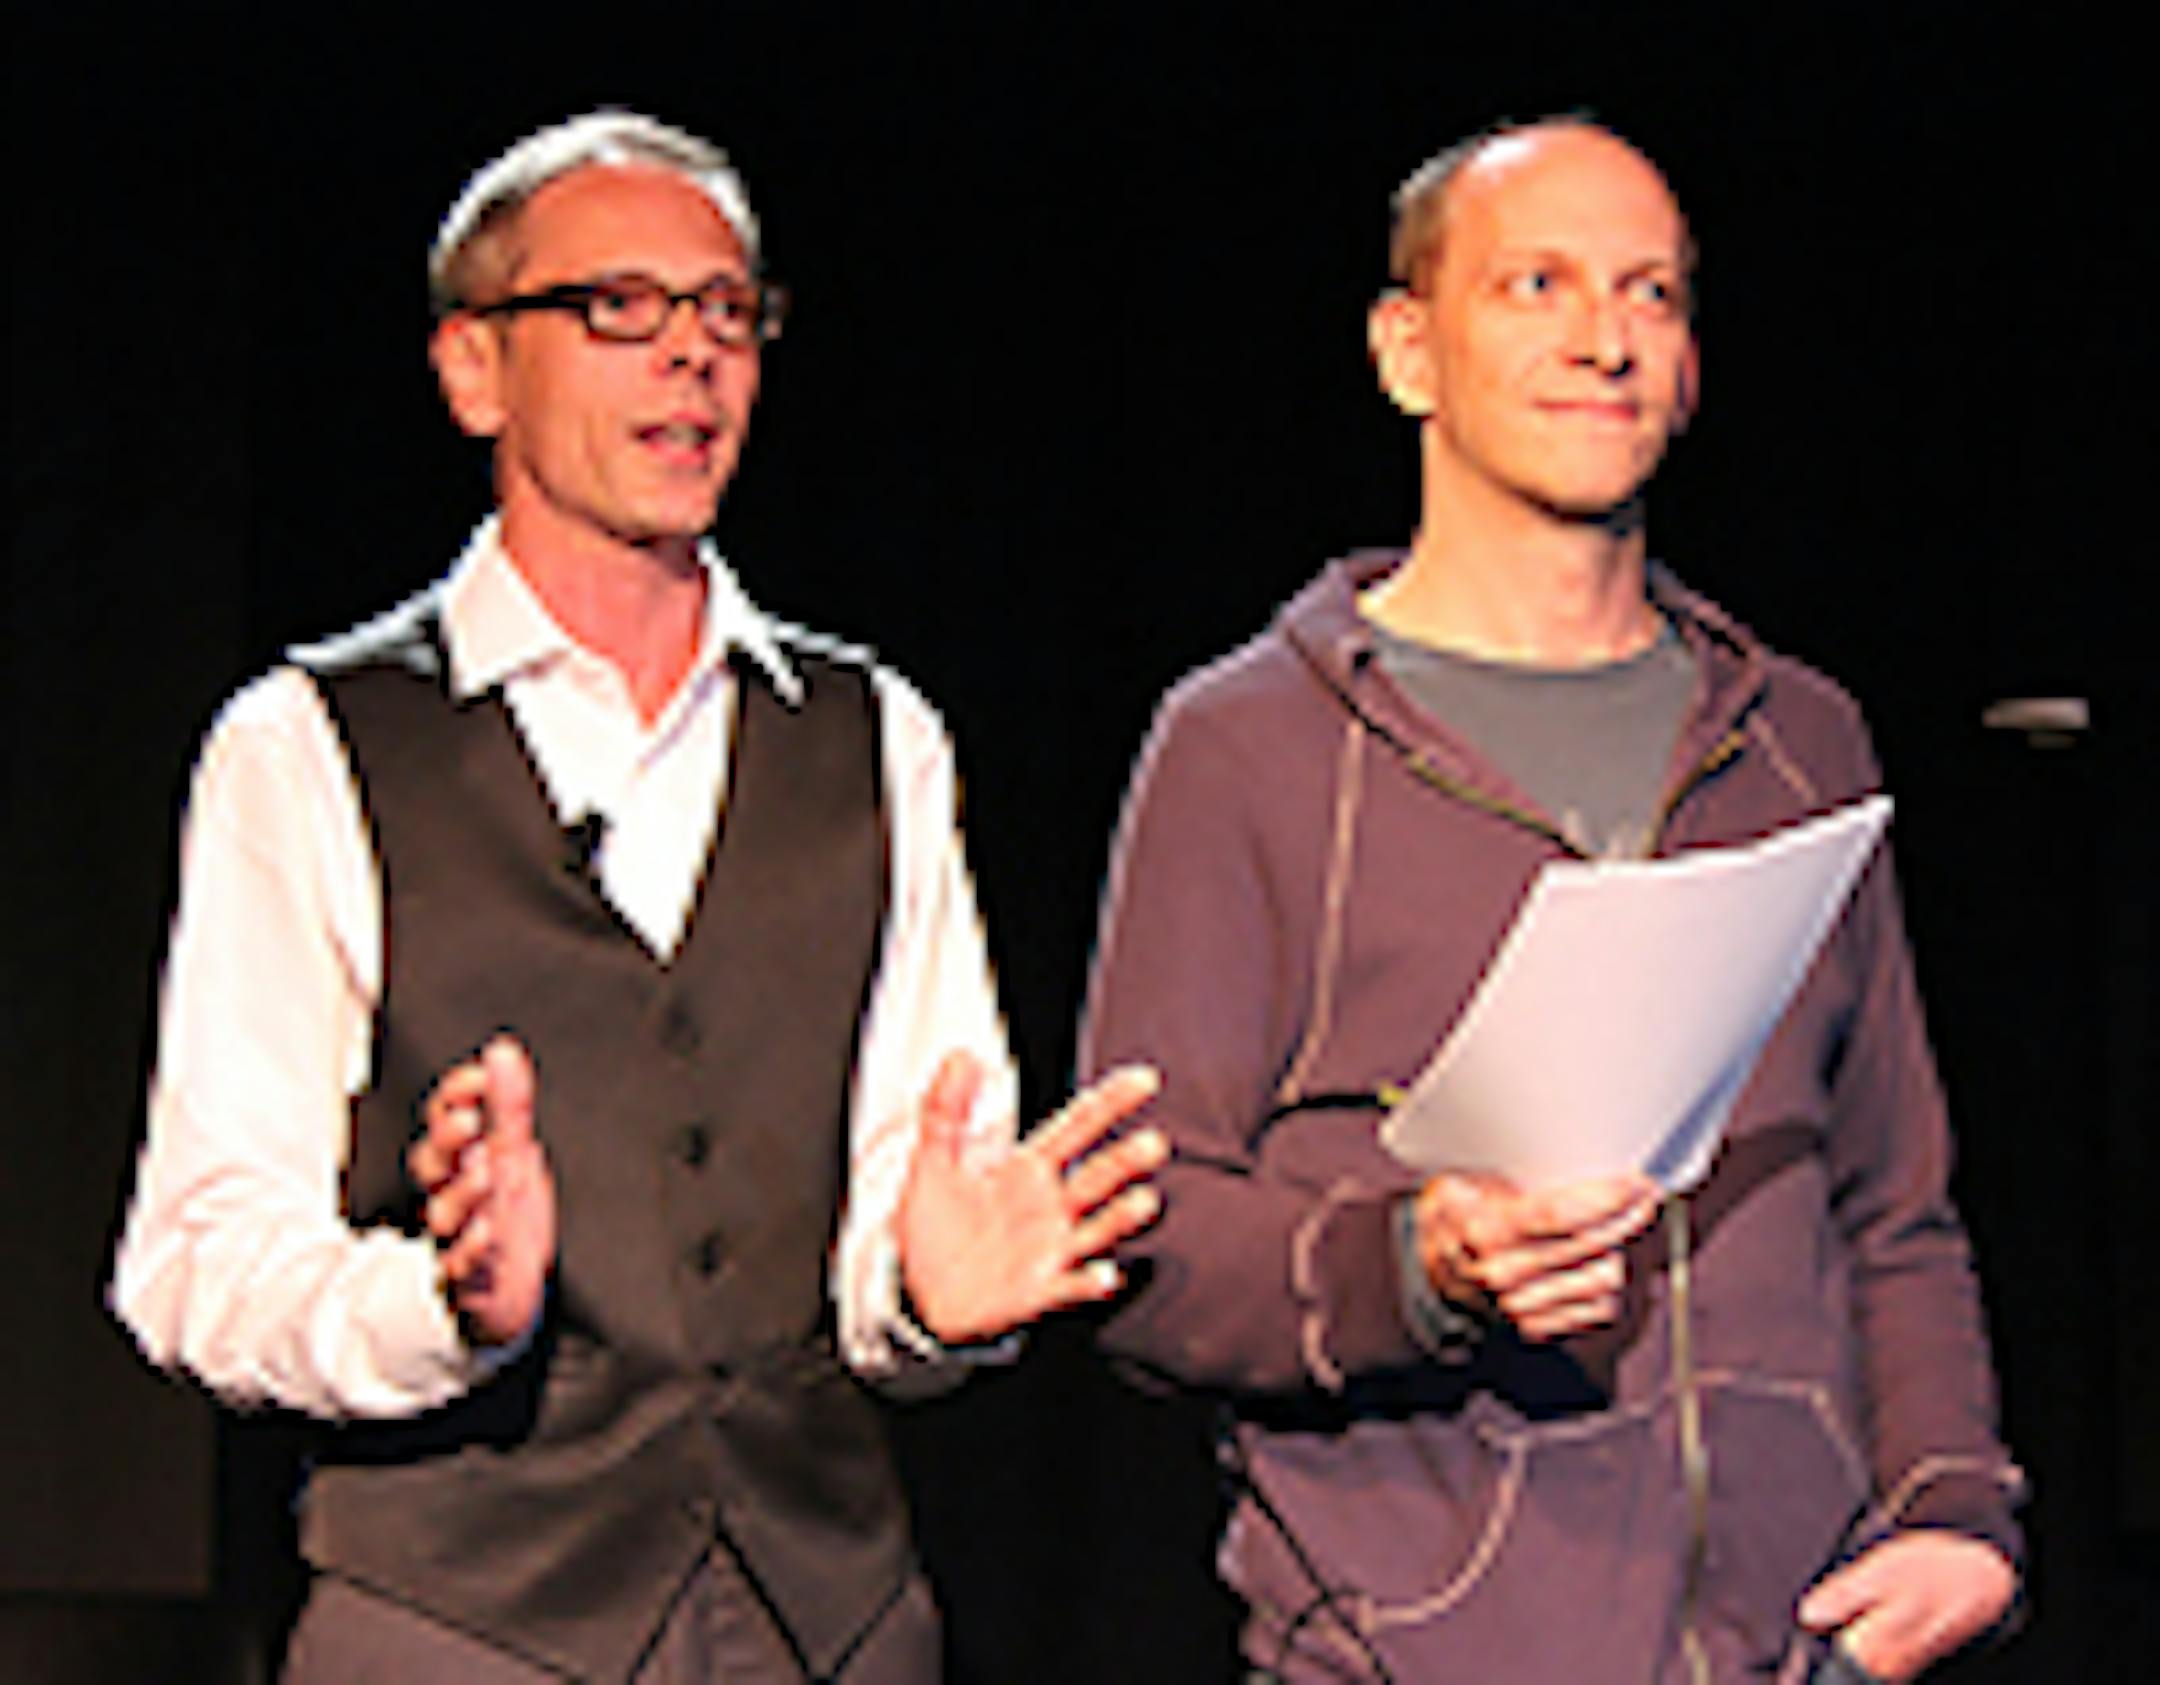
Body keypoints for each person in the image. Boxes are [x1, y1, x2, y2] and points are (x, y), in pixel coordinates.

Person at [111, 110, 1165, 1684]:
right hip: (465, 1621)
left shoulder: (876, 737)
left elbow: (911, 1202)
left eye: (726, 310)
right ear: (476, 369)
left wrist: (938, 1300)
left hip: (834, 1616)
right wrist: (446, 1301)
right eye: (620, 306)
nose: (691, 354)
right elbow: (196, 1253)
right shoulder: (312, 742)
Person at [1079, 118, 2022, 1683]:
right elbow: (1144, 1236)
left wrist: (1955, 1510)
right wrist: (1416, 1270)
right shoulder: (1252, 744)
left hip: (1803, 1648)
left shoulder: (1798, 737)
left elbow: (1892, 1199)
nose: (1605, 339)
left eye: (1652, 295)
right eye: (1538, 284)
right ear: (1407, 350)